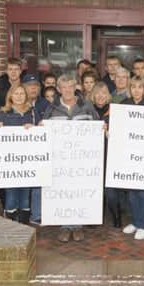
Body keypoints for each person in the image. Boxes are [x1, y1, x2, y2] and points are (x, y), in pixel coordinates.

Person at [43, 74, 99, 242]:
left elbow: (96, 125)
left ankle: (78, 225)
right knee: (63, 191)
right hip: (60, 160)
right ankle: (65, 226)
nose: (67, 90)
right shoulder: (51, 108)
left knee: (79, 190)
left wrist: (101, 128)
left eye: (70, 86)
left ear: (75, 87)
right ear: (58, 89)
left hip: (82, 160)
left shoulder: (87, 106)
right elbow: (44, 130)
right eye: (63, 87)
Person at [0, 85, 41, 224]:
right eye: (16, 93)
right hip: (10, 161)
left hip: (28, 160)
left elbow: (41, 129)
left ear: (26, 96)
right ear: (10, 96)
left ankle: (24, 222)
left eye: (22, 93)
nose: (19, 96)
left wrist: (35, 128)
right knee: (11, 192)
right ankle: (11, 222)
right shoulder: (3, 113)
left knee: (25, 192)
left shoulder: (32, 112)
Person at [120, 77, 144, 240]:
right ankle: (135, 221)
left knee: (142, 191)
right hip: (128, 154)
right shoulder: (124, 104)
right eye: (133, 87)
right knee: (131, 192)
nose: (136, 90)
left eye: (139, 87)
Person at [89, 82, 121, 227]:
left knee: (110, 190)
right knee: (94, 187)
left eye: (103, 93)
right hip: (91, 155)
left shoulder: (116, 112)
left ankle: (116, 215)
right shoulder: (87, 111)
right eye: (97, 93)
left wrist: (108, 132)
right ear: (93, 95)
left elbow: (122, 135)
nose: (100, 96)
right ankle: (95, 217)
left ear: (108, 95)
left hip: (110, 154)